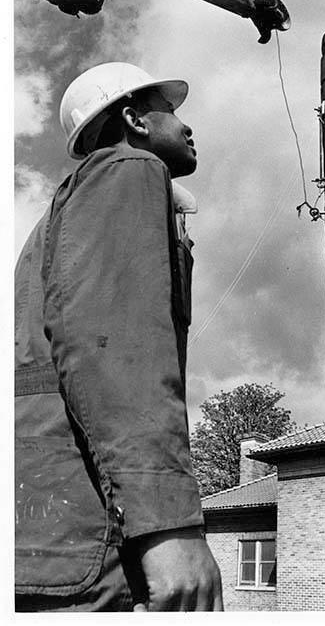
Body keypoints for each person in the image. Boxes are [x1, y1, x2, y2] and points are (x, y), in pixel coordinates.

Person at [14, 62, 222, 611]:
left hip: (51, 530)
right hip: (93, 533)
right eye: (172, 112)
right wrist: (169, 524)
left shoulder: (64, 211)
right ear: (133, 118)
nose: (187, 126)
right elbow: (113, 350)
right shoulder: (127, 169)